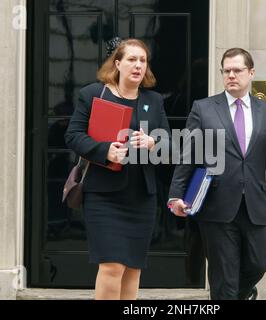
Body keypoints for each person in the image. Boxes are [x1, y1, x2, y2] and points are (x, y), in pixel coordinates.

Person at [168, 48, 266, 300]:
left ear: (251, 73)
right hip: (217, 205)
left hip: (255, 205)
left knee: (259, 262)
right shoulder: (203, 109)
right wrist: (176, 195)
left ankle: (242, 292)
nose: (231, 75)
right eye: (226, 71)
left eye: (237, 70)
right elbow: (188, 156)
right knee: (223, 276)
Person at [65, 38, 171, 300]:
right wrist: (105, 151)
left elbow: (168, 145)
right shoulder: (93, 94)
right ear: (118, 63)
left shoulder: (153, 100)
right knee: (112, 266)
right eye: (132, 60)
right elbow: (73, 135)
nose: (138, 66)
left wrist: (152, 142)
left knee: (133, 268)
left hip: (141, 197)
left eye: (143, 61)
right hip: (104, 196)